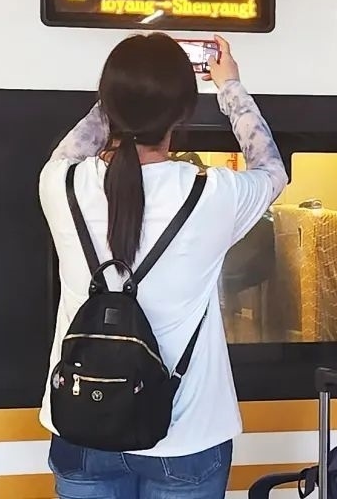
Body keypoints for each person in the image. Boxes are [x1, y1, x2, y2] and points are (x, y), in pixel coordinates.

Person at [39, 33, 287, 498]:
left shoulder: (60, 183)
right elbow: (272, 170)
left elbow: (74, 147)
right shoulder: (211, 194)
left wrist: (121, 97)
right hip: (186, 435)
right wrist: (230, 87)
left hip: (80, 424)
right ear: (182, 114)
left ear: (108, 104)